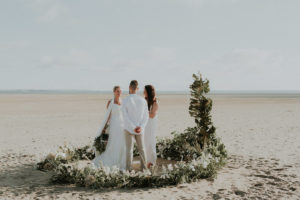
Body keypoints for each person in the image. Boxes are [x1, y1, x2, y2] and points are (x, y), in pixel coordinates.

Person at [93, 86, 126, 170]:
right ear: (114, 92)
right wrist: (104, 127)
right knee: (113, 142)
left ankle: (120, 160)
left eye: (120, 91)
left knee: (121, 142)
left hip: (122, 125)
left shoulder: (123, 101)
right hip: (114, 125)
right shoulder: (110, 102)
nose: (119, 93)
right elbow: (108, 116)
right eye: (117, 91)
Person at [122, 80, 149, 170]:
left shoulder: (125, 100)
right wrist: (140, 127)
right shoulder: (143, 100)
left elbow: (125, 117)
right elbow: (146, 116)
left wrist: (133, 127)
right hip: (140, 129)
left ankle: (128, 169)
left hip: (129, 129)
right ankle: (144, 169)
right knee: (142, 149)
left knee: (129, 150)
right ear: (137, 88)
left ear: (129, 87)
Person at [143, 85, 158, 168]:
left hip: (151, 124)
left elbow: (152, 115)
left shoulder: (155, 102)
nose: (143, 92)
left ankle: (152, 161)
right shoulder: (144, 101)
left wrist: (143, 112)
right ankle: (146, 161)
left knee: (151, 141)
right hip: (145, 123)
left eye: (144, 91)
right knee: (145, 141)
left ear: (148, 92)